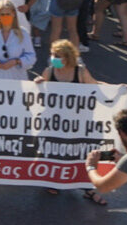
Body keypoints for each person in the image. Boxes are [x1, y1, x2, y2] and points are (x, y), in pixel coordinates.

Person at [36, 38, 108, 204]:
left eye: (58, 56)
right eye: (52, 55)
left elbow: (95, 86)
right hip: (54, 123)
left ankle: (88, 189)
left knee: (79, 153)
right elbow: (39, 92)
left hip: (77, 123)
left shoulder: (80, 72)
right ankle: (53, 182)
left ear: (68, 57)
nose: (53, 58)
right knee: (54, 151)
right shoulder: (49, 71)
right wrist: (37, 83)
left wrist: (118, 89)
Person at [0, 0, 36, 80]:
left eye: (8, 14)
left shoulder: (23, 33)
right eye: (2, 14)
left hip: (17, 78)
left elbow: (31, 56)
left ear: (13, 14)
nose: (5, 17)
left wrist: (16, 61)